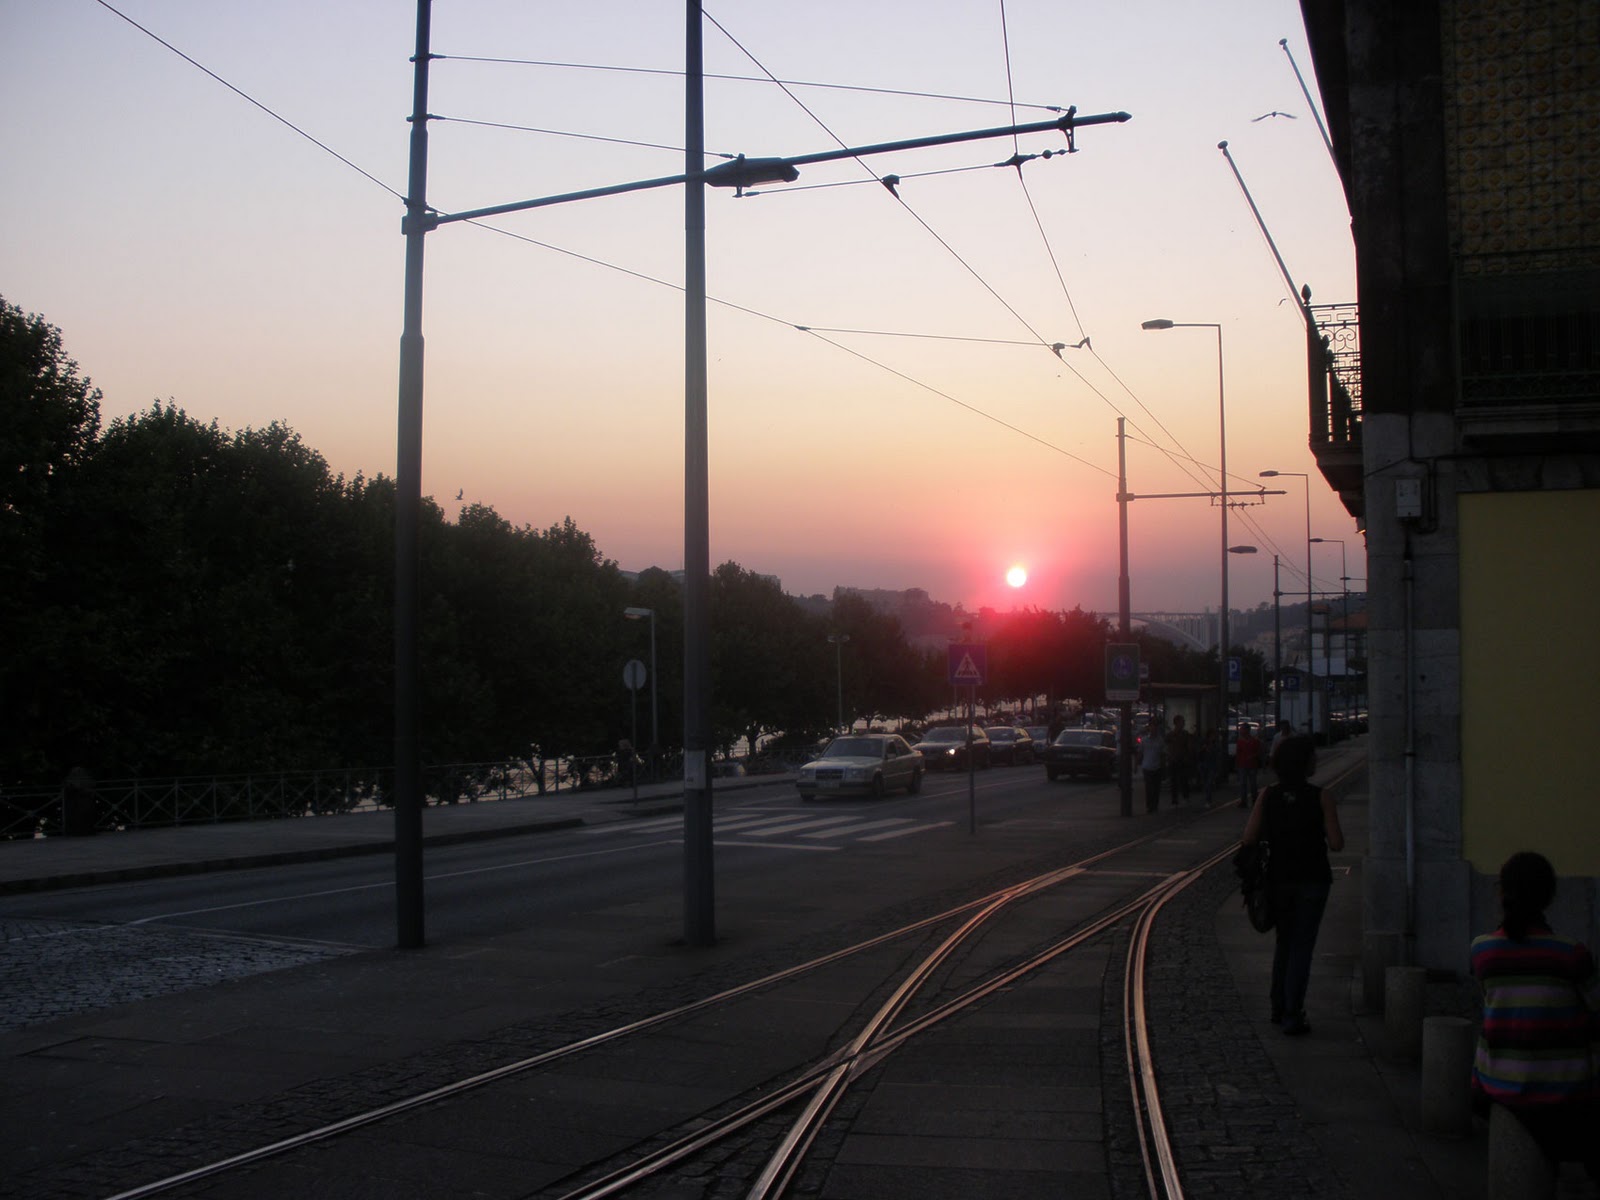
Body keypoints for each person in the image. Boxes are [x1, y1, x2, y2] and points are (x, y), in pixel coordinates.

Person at [1470, 851, 1600, 1182]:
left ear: (1501, 893)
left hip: (1497, 1085)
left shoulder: (1482, 951)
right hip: (1566, 1092)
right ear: (1549, 897)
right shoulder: (1572, 955)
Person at [1241, 733, 1343, 1034]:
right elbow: (1336, 842)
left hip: (1278, 879)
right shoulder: (1321, 796)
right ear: (1304, 762)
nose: (1316, 760)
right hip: (1313, 879)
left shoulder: (1267, 795)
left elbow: (1248, 837)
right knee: (1302, 946)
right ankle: (1292, 1012)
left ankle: (1278, 1005)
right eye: (1312, 756)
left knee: (1284, 942)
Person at [1139, 717, 1166, 814]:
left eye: (1155, 726)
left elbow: (1163, 754)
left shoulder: (1160, 740)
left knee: (1156, 788)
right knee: (1149, 788)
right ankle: (1149, 806)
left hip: (1157, 767)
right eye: (1152, 726)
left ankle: (1155, 805)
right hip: (1147, 767)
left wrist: (1163, 766)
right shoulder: (1144, 740)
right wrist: (1136, 765)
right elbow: (1140, 753)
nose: (1153, 728)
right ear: (1149, 727)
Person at [1166, 714, 1194, 805]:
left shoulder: (1185, 734)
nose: (1183, 723)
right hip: (1174, 760)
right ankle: (1175, 800)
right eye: (1182, 721)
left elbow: (1189, 747)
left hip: (1182, 760)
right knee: (1174, 781)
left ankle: (1185, 797)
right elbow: (1167, 747)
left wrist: (1187, 756)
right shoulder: (1171, 735)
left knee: (1183, 780)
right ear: (1177, 723)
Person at [1235, 723, 1263, 808]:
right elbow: (1238, 753)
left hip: (1252, 765)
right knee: (1243, 784)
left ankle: (1254, 800)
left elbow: (1259, 752)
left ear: (1247, 730)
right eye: (1241, 729)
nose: (1241, 731)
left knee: (1253, 784)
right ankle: (1244, 801)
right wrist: (1237, 764)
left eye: (1242, 729)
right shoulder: (1240, 741)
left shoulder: (1254, 741)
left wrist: (1252, 756)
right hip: (1242, 765)